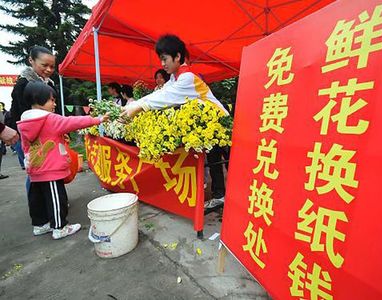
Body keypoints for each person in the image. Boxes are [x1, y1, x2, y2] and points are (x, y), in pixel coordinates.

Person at [122, 34, 229, 209]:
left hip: (219, 123)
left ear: (177, 56)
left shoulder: (187, 78)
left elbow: (166, 97)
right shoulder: (174, 78)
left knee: (224, 160)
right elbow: (159, 94)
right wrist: (136, 104)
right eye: (161, 59)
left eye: (165, 59)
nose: (162, 64)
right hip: (209, 125)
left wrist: (139, 106)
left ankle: (229, 196)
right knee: (214, 158)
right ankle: (221, 195)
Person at [17, 81, 109, 239]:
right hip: (51, 169)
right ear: (39, 99)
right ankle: (60, 227)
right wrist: (98, 119)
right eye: (51, 100)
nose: (54, 103)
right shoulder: (49, 119)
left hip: (34, 167)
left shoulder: (24, 122)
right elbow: (73, 122)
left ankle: (40, 225)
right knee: (56, 198)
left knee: (36, 198)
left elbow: (25, 146)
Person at [10, 46, 57, 170]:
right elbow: (23, 114)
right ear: (31, 60)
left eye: (52, 66)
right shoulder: (23, 83)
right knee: (36, 170)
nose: (48, 69)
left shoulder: (50, 83)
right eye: (44, 65)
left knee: (45, 169)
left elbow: (55, 110)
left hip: (47, 133)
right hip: (29, 135)